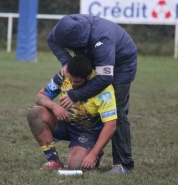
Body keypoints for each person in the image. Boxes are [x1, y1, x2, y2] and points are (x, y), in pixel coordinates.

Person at [47, 14, 137, 174]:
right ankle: (93, 147)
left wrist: (76, 94)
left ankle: (123, 164)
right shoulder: (64, 28)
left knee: (117, 111)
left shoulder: (103, 37)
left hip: (120, 66)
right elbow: (51, 39)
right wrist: (67, 61)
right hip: (94, 58)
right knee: (93, 105)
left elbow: (105, 77)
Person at [27, 55, 117, 171]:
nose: (73, 83)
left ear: (88, 77)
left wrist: (93, 154)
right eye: (71, 79)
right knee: (34, 113)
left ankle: (94, 152)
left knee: (76, 167)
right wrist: (54, 107)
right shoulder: (64, 74)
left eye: (77, 81)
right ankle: (53, 161)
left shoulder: (104, 89)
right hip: (64, 121)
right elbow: (40, 96)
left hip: (87, 132)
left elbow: (111, 125)